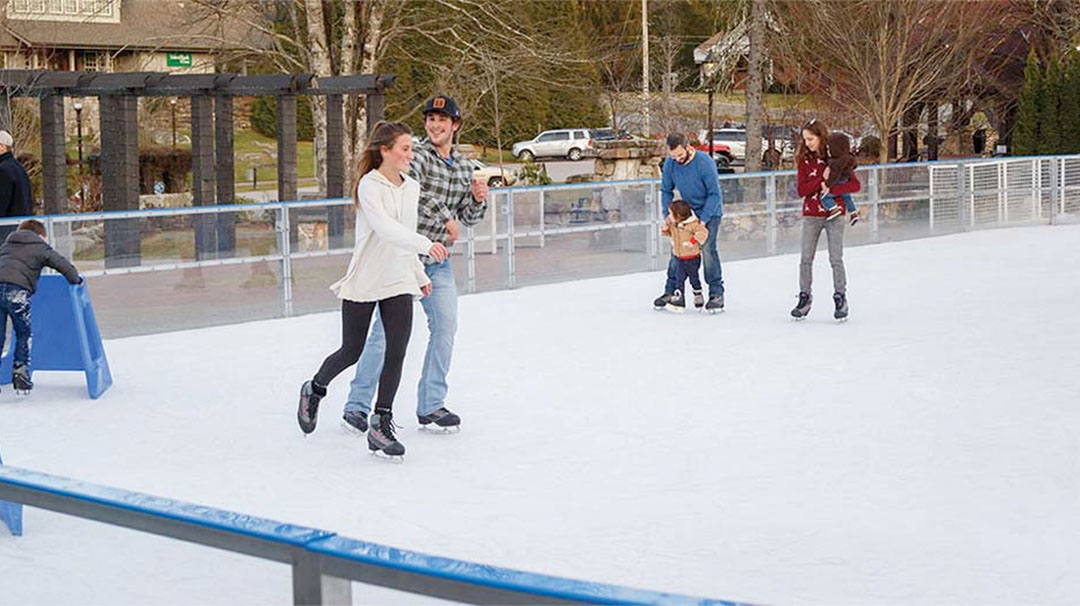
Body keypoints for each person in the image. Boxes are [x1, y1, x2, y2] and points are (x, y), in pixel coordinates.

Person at [296, 121, 450, 459]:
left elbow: (404, 234)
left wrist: (417, 273)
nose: (411, 154)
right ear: (385, 151)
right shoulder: (370, 185)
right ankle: (315, 388)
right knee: (352, 350)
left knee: (396, 351)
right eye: (405, 148)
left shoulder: (411, 187)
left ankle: (380, 423)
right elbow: (385, 229)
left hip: (397, 278)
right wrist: (427, 244)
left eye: (412, 148)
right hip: (366, 278)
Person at [342, 95, 489, 435]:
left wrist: (479, 199)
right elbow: (416, 191)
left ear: (455, 125)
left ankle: (431, 404)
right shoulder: (414, 155)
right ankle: (357, 405)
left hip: (435, 264)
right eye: (430, 119)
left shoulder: (466, 167)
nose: (434, 125)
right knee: (381, 337)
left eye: (442, 119)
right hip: (400, 262)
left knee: (446, 328)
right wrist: (446, 218)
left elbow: (468, 218)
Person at [0, 219, 82, 394]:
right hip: (17, 291)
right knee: (23, 332)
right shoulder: (40, 247)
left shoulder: (7, 245)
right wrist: (76, 279)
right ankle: (20, 371)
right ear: (39, 236)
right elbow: (62, 264)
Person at [790, 119, 861, 322]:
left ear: (821, 137)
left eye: (811, 139)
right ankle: (805, 297)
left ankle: (840, 296)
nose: (808, 143)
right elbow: (802, 189)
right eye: (805, 139)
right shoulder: (805, 160)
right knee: (806, 258)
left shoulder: (837, 158)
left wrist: (832, 189)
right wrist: (822, 180)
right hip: (812, 214)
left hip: (835, 215)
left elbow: (854, 185)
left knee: (835, 258)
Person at [653, 132, 725, 314]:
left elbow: (715, 194)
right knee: (678, 249)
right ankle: (671, 291)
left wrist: (703, 220)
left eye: (680, 155)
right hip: (686, 214)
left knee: (708, 249)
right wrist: (668, 214)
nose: (677, 159)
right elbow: (666, 190)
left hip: (710, 212)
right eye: (673, 156)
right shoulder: (671, 163)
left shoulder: (704, 162)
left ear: (688, 147)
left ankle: (716, 293)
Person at [659, 199, 708, 312]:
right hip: (679, 258)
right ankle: (680, 300)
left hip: (692, 258)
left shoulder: (693, 225)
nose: (669, 216)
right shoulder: (674, 225)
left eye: (671, 214)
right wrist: (665, 230)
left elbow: (703, 233)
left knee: (693, 278)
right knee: (679, 279)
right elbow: (671, 234)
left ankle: (697, 293)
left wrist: (692, 241)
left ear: (679, 215)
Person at [0, 130, 33, 242]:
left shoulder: (3, 170)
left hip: (6, 230)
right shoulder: (19, 168)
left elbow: (2, 202)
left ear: (2, 147)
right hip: (21, 227)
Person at [819, 132, 859, 225]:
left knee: (824, 197)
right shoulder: (849, 158)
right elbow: (854, 165)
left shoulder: (836, 162)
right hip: (845, 181)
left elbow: (834, 175)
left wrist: (827, 185)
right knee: (847, 197)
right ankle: (853, 213)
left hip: (838, 182)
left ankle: (833, 208)